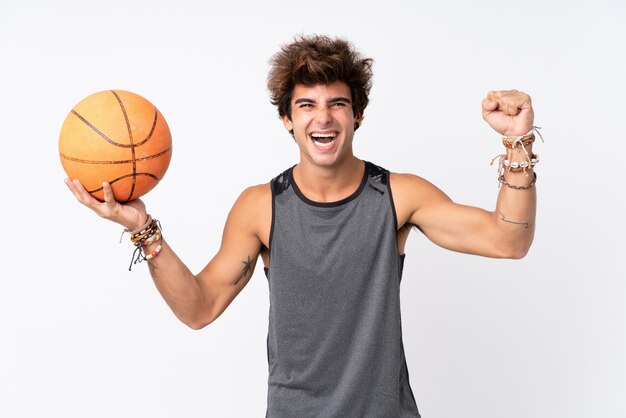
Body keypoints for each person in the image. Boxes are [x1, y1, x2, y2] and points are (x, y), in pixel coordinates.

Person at [65, 34, 539, 417]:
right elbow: (199, 308)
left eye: (337, 103)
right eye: (307, 105)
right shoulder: (261, 207)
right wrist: (144, 227)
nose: (323, 117)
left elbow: (508, 240)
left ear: (357, 114)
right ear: (287, 119)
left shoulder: (399, 196)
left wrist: (518, 144)